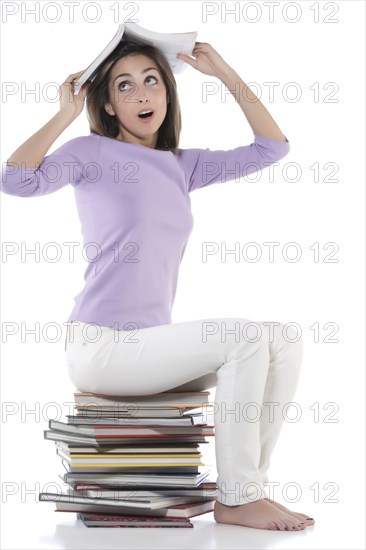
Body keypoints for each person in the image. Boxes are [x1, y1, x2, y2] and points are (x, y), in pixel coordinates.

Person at [1, 40, 314, 531]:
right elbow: (15, 180)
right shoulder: (90, 152)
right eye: (124, 86)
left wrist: (225, 72)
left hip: (147, 349)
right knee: (245, 337)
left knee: (284, 340)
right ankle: (236, 497)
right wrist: (65, 115)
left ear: (167, 93)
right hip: (102, 347)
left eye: (152, 79)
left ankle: (251, 487)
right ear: (106, 104)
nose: (142, 93)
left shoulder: (180, 165)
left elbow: (272, 148)